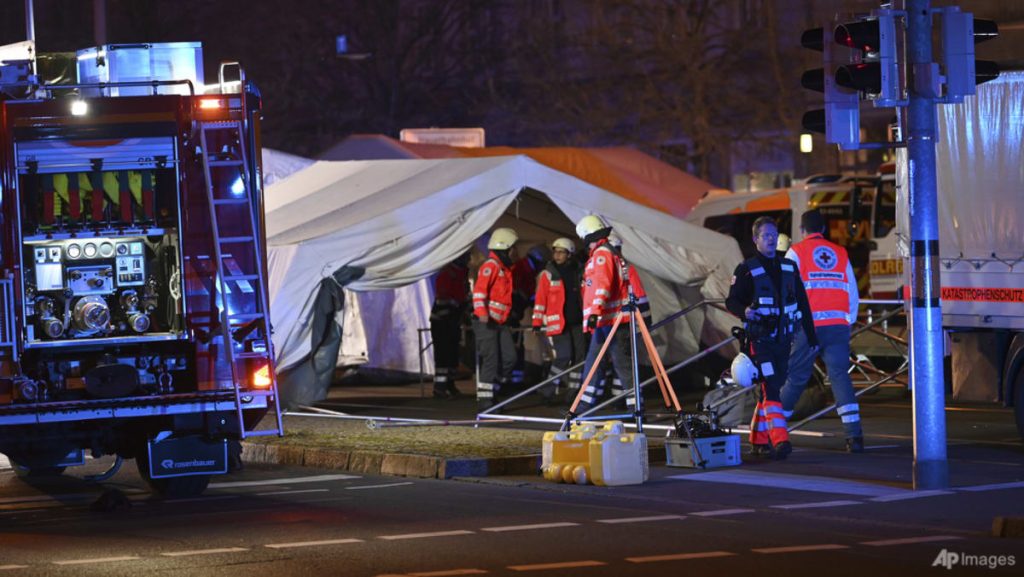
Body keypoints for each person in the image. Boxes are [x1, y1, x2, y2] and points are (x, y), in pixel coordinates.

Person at [726, 215, 818, 460]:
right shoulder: (746, 270)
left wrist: (811, 335)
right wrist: (744, 311)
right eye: (766, 235)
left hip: (783, 341)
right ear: (756, 239)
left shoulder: (788, 267)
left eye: (774, 235)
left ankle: (758, 440)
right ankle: (781, 440)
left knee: (770, 389)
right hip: (760, 340)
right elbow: (731, 301)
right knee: (772, 387)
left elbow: (803, 303)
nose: (771, 239)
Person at [781, 209, 864, 452]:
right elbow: (852, 292)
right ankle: (854, 435)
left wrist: (789, 322)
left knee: (796, 378)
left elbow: (788, 291)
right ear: (824, 229)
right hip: (837, 326)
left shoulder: (796, 251)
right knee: (839, 376)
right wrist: (847, 321)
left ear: (802, 230)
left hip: (808, 327)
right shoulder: (840, 253)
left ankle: (773, 430)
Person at [574, 215, 648, 414]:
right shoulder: (607, 253)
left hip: (611, 320)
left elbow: (602, 286)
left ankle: (636, 408)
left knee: (622, 364)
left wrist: (594, 312)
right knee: (594, 362)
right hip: (606, 321)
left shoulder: (601, 255)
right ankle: (584, 404)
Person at [532, 237, 585, 404]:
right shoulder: (548, 274)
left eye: (561, 252)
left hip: (578, 321)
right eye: (556, 251)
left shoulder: (579, 271)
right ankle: (547, 391)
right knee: (563, 357)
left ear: (569, 254)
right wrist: (537, 322)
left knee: (579, 358)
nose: (557, 255)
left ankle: (573, 392)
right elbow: (540, 300)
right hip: (559, 323)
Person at [472, 228, 519, 409]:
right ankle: (485, 401)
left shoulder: (503, 268)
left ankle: (492, 390)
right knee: (491, 360)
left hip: (500, 322)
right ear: (505, 247)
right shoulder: (490, 266)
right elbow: (479, 293)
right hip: (487, 323)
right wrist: (483, 315)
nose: (515, 252)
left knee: (510, 358)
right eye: (512, 248)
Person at [430, 252, 470, 399]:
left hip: (453, 319)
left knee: (453, 353)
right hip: (442, 320)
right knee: (443, 355)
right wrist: (458, 304)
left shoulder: (461, 273)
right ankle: (439, 388)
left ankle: (450, 385)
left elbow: (463, 294)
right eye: (467, 256)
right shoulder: (448, 273)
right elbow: (444, 297)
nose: (469, 259)